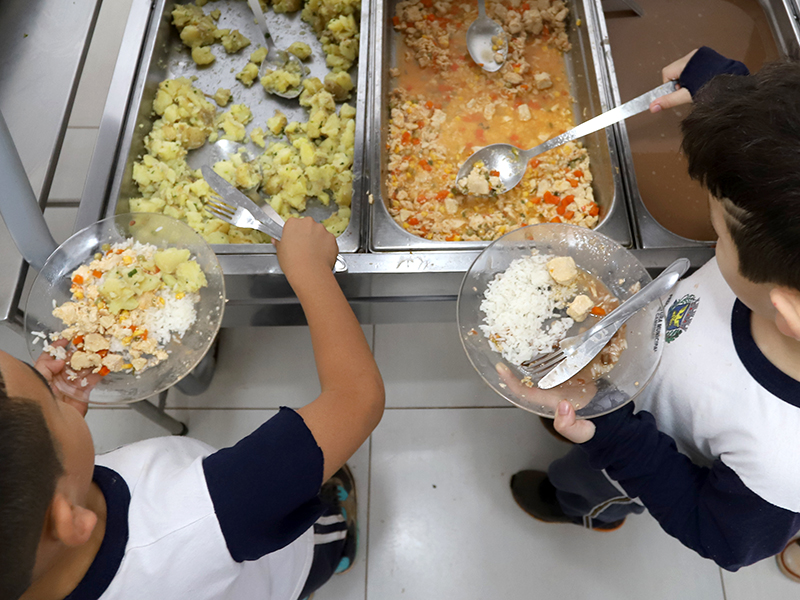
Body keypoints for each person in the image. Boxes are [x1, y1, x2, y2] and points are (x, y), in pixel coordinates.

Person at [509, 49, 800, 574]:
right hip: (629, 375)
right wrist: (728, 96)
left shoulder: (785, 467)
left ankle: (585, 510)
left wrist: (612, 431)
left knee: (583, 480)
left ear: (787, 309)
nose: (716, 236)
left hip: (641, 453)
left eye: (719, 233)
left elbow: (716, 534)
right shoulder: (782, 270)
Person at [0, 217, 385, 600]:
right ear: (69, 520)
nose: (49, 379)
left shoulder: (39, 541)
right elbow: (357, 398)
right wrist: (310, 270)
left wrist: (56, 421)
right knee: (317, 539)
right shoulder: (208, 511)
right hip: (282, 560)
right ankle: (338, 547)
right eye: (44, 392)